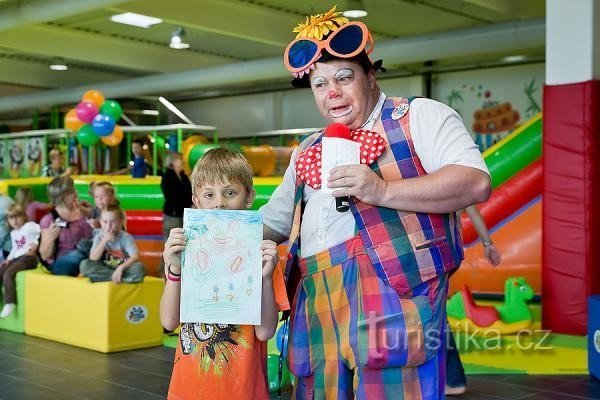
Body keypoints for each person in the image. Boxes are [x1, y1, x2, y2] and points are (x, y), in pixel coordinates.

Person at [260, 7, 491, 399]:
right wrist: (210, 236)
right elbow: (274, 221)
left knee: (396, 388)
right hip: (315, 292)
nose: (331, 91)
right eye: (320, 84)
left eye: (344, 77)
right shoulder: (306, 149)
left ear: (370, 76)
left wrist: (382, 191)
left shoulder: (419, 116)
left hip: (395, 289)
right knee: (317, 389)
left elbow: (475, 183)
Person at [160, 147, 289, 400]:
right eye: (209, 194)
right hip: (188, 387)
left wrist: (264, 277)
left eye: (230, 192)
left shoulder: (262, 256)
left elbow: (265, 332)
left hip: (242, 389)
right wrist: (174, 269)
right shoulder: (186, 252)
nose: (219, 202)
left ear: (248, 197)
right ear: (196, 201)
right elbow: (168, 321)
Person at [445, 204, 501, 396]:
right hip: (451, 251)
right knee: (431, 311)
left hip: (439, 249)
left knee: (430, 312)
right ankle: (452, 378)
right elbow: (473, 212)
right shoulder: (452, 176)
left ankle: (453, 378)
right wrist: (488, 244)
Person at [39, 176, 93, 276]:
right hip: (63, 262)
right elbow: (45, 255)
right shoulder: (51, 219)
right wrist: (51, 238)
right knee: (78, 255)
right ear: (64, 197)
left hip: (89, 253)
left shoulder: (84, 209)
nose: (76, 193)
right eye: (73, 191)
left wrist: (92, 214)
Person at [80, 204, 145, 284]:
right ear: (100, 221)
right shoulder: (99, 237)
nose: (108, 226)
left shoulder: (125, 237)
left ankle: (106, 277)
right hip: (104, 267)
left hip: (123, 269)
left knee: (139, 268)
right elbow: (93, 258)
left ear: (120, 222)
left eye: (113, 222)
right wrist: (104, 240)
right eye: (105, 222)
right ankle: (122, 278)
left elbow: (136, 256)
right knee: (84, 265)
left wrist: (120, 268)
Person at [0, 205, 40, 318]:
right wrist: (8, 259)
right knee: (1, 271)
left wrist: (35, 244)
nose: (15, 220)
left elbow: (41, 231)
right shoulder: (13, 233)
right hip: (18, 258)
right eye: (11, 218)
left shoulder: (29, 226)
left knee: (8, 274)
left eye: (17, 217)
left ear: (24, 216)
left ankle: (10, 303)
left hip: (29, 258)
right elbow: (15, 248)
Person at [160, 152, 192, 261]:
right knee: (171, 245)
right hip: (173, 216)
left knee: (183, 244)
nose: (182, 161)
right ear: (172, 162)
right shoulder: (168, 176)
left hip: (183, 214)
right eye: (180, 159)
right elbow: (171, 197)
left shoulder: (183, 176)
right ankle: (166, 271)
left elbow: (189, 192)